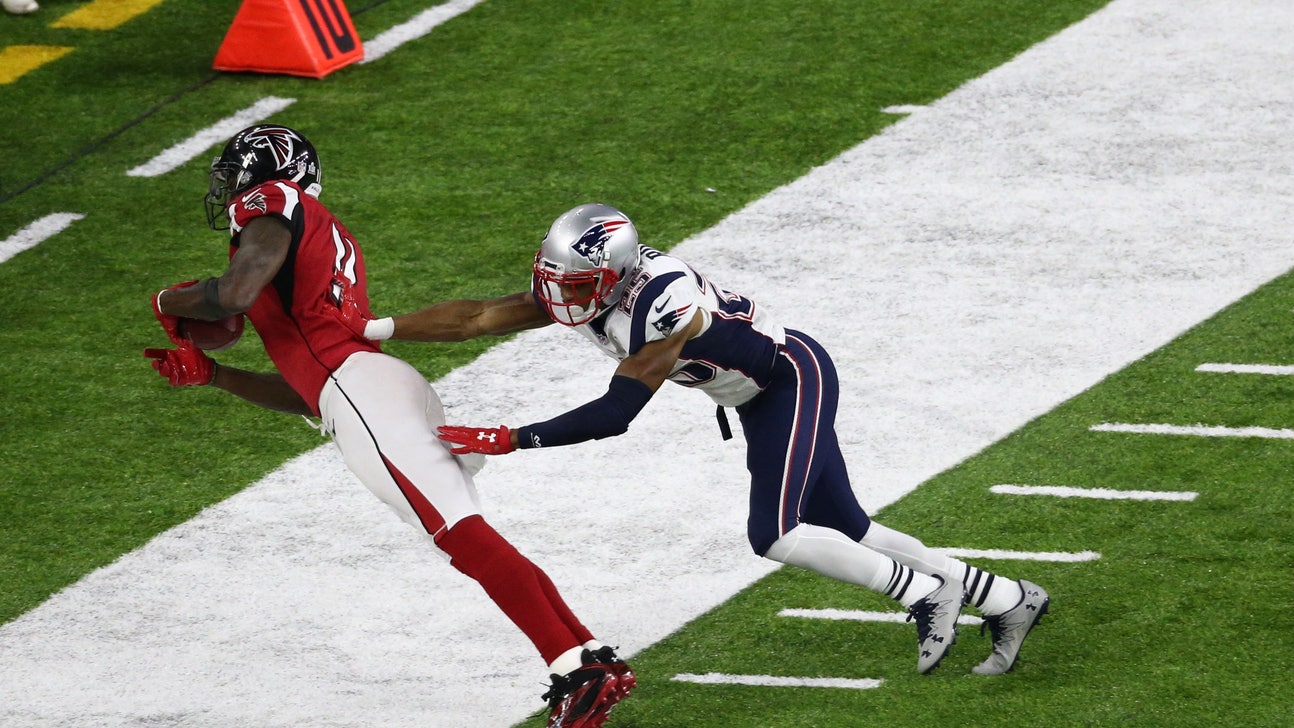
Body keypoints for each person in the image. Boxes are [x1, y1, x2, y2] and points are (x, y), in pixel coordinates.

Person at [335, 202, 1051, 676]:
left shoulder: (661, 300)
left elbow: (617, 412)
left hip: (788, 379)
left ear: (615, 275)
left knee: (775, 534)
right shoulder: (594, 286)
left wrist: (513, 437)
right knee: (847, 525)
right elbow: (477, 318)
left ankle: (921, 593)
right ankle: (1007, 598)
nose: (560, 295)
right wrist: (372, 328)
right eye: (557, 278)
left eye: (577, 283)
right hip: (753, 396)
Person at [142, 127, 634, 728]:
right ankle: (589, 658)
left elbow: (237, 293)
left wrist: (169, 301)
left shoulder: (273, 201)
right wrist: (216, 375)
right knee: (471, 536)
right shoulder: (316, 232)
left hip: (363, 394)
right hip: (367, 388)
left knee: (465, 537)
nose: (229, 193)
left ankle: (576, 670)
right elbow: (311, 391)